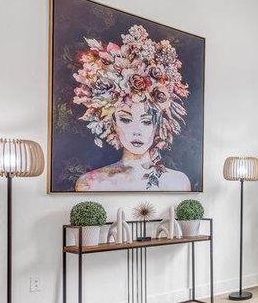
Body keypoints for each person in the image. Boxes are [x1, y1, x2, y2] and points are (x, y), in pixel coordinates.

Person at [71, 25, 192, 191]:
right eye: (126, 119)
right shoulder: (91, 183)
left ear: (159, 124)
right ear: (111, 122)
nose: (136, 131)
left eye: (146, 121)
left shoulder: (178, 182)